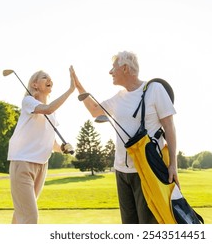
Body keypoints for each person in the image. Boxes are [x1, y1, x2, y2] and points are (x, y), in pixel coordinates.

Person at [72, 51, 179, 224]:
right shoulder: (119, 97)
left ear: (125, 69)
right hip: (121, 170)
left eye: (113, 68)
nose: (110, 72)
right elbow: (94, 110)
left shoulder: (154, 89)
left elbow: (169, 127)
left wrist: (173, 164)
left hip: (147, 169)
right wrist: (78, 86)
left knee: (148, 224)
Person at [8, 67, 75, 224]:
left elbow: (52, 144)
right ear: (35, 84)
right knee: (30, 216)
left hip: (41, 166)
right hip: (23, 163)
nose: (49, 80)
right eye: (45, 77)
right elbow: (47, 108)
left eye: (50, 78)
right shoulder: (29, 102)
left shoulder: (52, 113)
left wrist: (63, 148)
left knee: (21, 215)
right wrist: (71, 89)